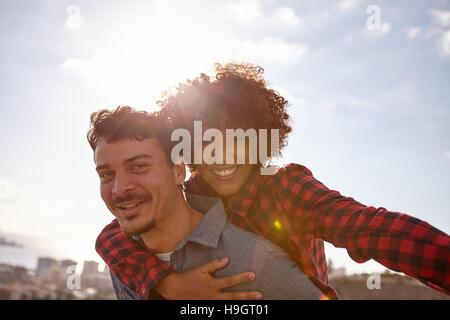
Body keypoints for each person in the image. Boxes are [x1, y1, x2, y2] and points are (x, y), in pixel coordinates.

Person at [95, 63, 450, 300]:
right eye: (205, 141)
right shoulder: (189, 196)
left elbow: (371, 229)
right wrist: (169, 286)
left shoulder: (286, 189)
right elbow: (114, 236)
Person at [88, 106, 323, 300]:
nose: (120, 188)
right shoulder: (123, 261)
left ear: (179, 171)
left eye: (138, 167)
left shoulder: (257, 263)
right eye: (107, 174)